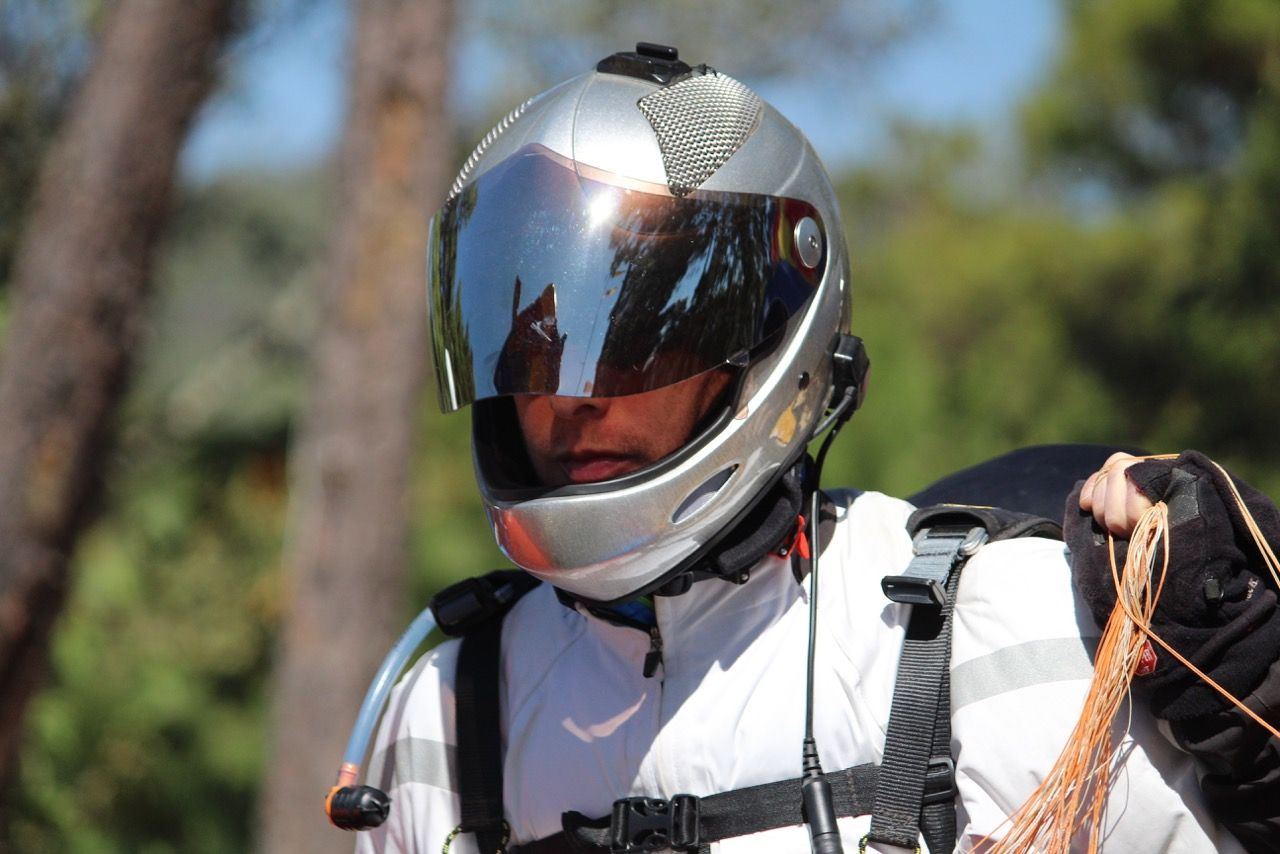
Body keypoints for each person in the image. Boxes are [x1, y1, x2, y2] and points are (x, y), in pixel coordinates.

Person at [354, 44, 1280, 853]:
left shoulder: (995, 634)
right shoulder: (449, 707)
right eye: (532, 351)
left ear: (765, 341)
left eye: (635, 339)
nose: (570, 400)